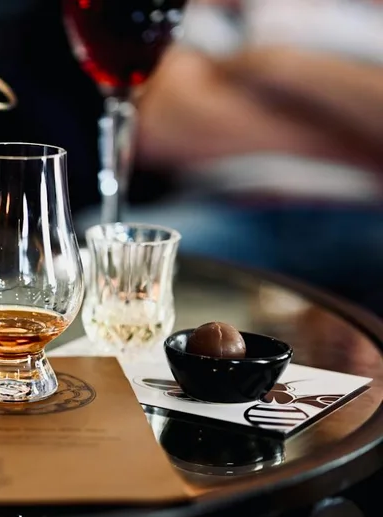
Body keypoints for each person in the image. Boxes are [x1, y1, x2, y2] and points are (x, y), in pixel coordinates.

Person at [123, 0, 383, 312]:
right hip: (225, 212)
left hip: (365, 214)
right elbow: (160, 129)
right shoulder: (219, 12)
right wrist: (357, 132)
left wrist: (272, 63)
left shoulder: (369, 18)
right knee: (100, 250)